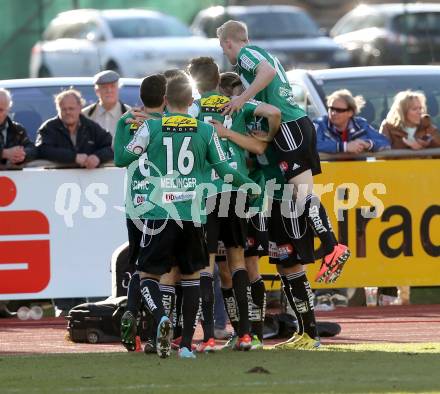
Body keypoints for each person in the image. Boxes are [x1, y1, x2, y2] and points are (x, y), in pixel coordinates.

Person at [116, 74, 260, 359]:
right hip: (194, 214)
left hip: (160, 213)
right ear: (192, 101)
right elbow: (223, 170)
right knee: (193, 276)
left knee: (148, 275)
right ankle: (185, 347)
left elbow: (122, 159)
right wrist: (249, 185)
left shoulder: (152, 128)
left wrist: (122, 125)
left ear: (166, 101)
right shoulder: (205, 131)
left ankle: (160, 319)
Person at [216, 20, 350, 285]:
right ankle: (329, 246)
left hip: (290, 127)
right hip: (296, 125)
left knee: (303, 195)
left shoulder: (246, 53)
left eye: (224, 48)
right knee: (301, 195)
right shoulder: (260, 54)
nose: (226, 55)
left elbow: (266, 73)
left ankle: (332, 245)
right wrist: (267, 133)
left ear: (228, 42)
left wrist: (242, 98)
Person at [187, 57, 279, 352]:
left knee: (208, 266)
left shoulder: (193, 109)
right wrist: (267, 135)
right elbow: (274, 112)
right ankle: (245, 335)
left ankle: (210, 337)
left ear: (194, 81)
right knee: (238, 262)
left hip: (205, 193)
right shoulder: (235, 104)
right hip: (237, 190)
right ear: (216, 78)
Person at [114, 73, 167, 352]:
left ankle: (133, 318)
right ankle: (159, 326)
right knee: (159, 273)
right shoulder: (167, 125)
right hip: (161, 205)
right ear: (165, 98)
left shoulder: (131, 122)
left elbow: (119, 158)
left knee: (138, 266)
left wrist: (123, 124)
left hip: (134, 203)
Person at [36, 89, 113, 168]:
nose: (68, 112)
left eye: (71, 108)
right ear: (58, 109)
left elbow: (112, 146)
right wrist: (74, 157)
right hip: (55, 177)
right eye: (64, 109)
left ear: (80, 108)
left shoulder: (91, 127)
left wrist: (98, 157)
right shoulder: (48, 128)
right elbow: (42, 149)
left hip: (90, 178)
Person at [314, 89, 390, 153]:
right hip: (328, 170)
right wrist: (345, 147)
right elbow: (311, 145)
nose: (333, 113)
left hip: (358, 170)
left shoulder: (361, 125)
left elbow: (384, 142)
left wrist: (368, 144)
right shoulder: (319, 124)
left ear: (350, 112)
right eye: (331, 108)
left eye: (339, 110)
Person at [82, 70, 130, 139]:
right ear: (97, 91)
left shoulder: (130, 115)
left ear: (118, 88)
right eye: (104, 87)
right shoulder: (85, 115)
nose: (109, 91)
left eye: (112, 86)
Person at [0, 88, 37, 166]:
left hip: (17, 176)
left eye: (0, 110)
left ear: (8, 110)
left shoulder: (17, 130)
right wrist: (4, 153)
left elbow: (32, 149)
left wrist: (22, 155)